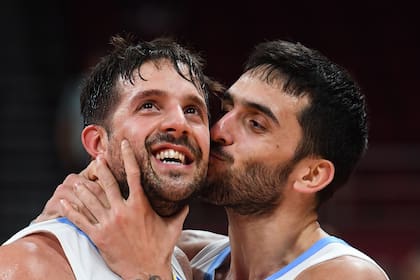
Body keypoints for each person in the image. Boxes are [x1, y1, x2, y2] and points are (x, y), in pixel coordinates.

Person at [33, 40, 390, 279]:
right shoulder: (190, 257)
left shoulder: (345, 274)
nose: (218, 130)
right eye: (228, 109)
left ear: (311, 175)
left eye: (255, 124)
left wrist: (149, 274)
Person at [0, 34, 220, 280]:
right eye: (149, 105)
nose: (180, 123)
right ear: (97, 143)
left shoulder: (178, 264)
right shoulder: (28, 266)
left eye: (192, 110)